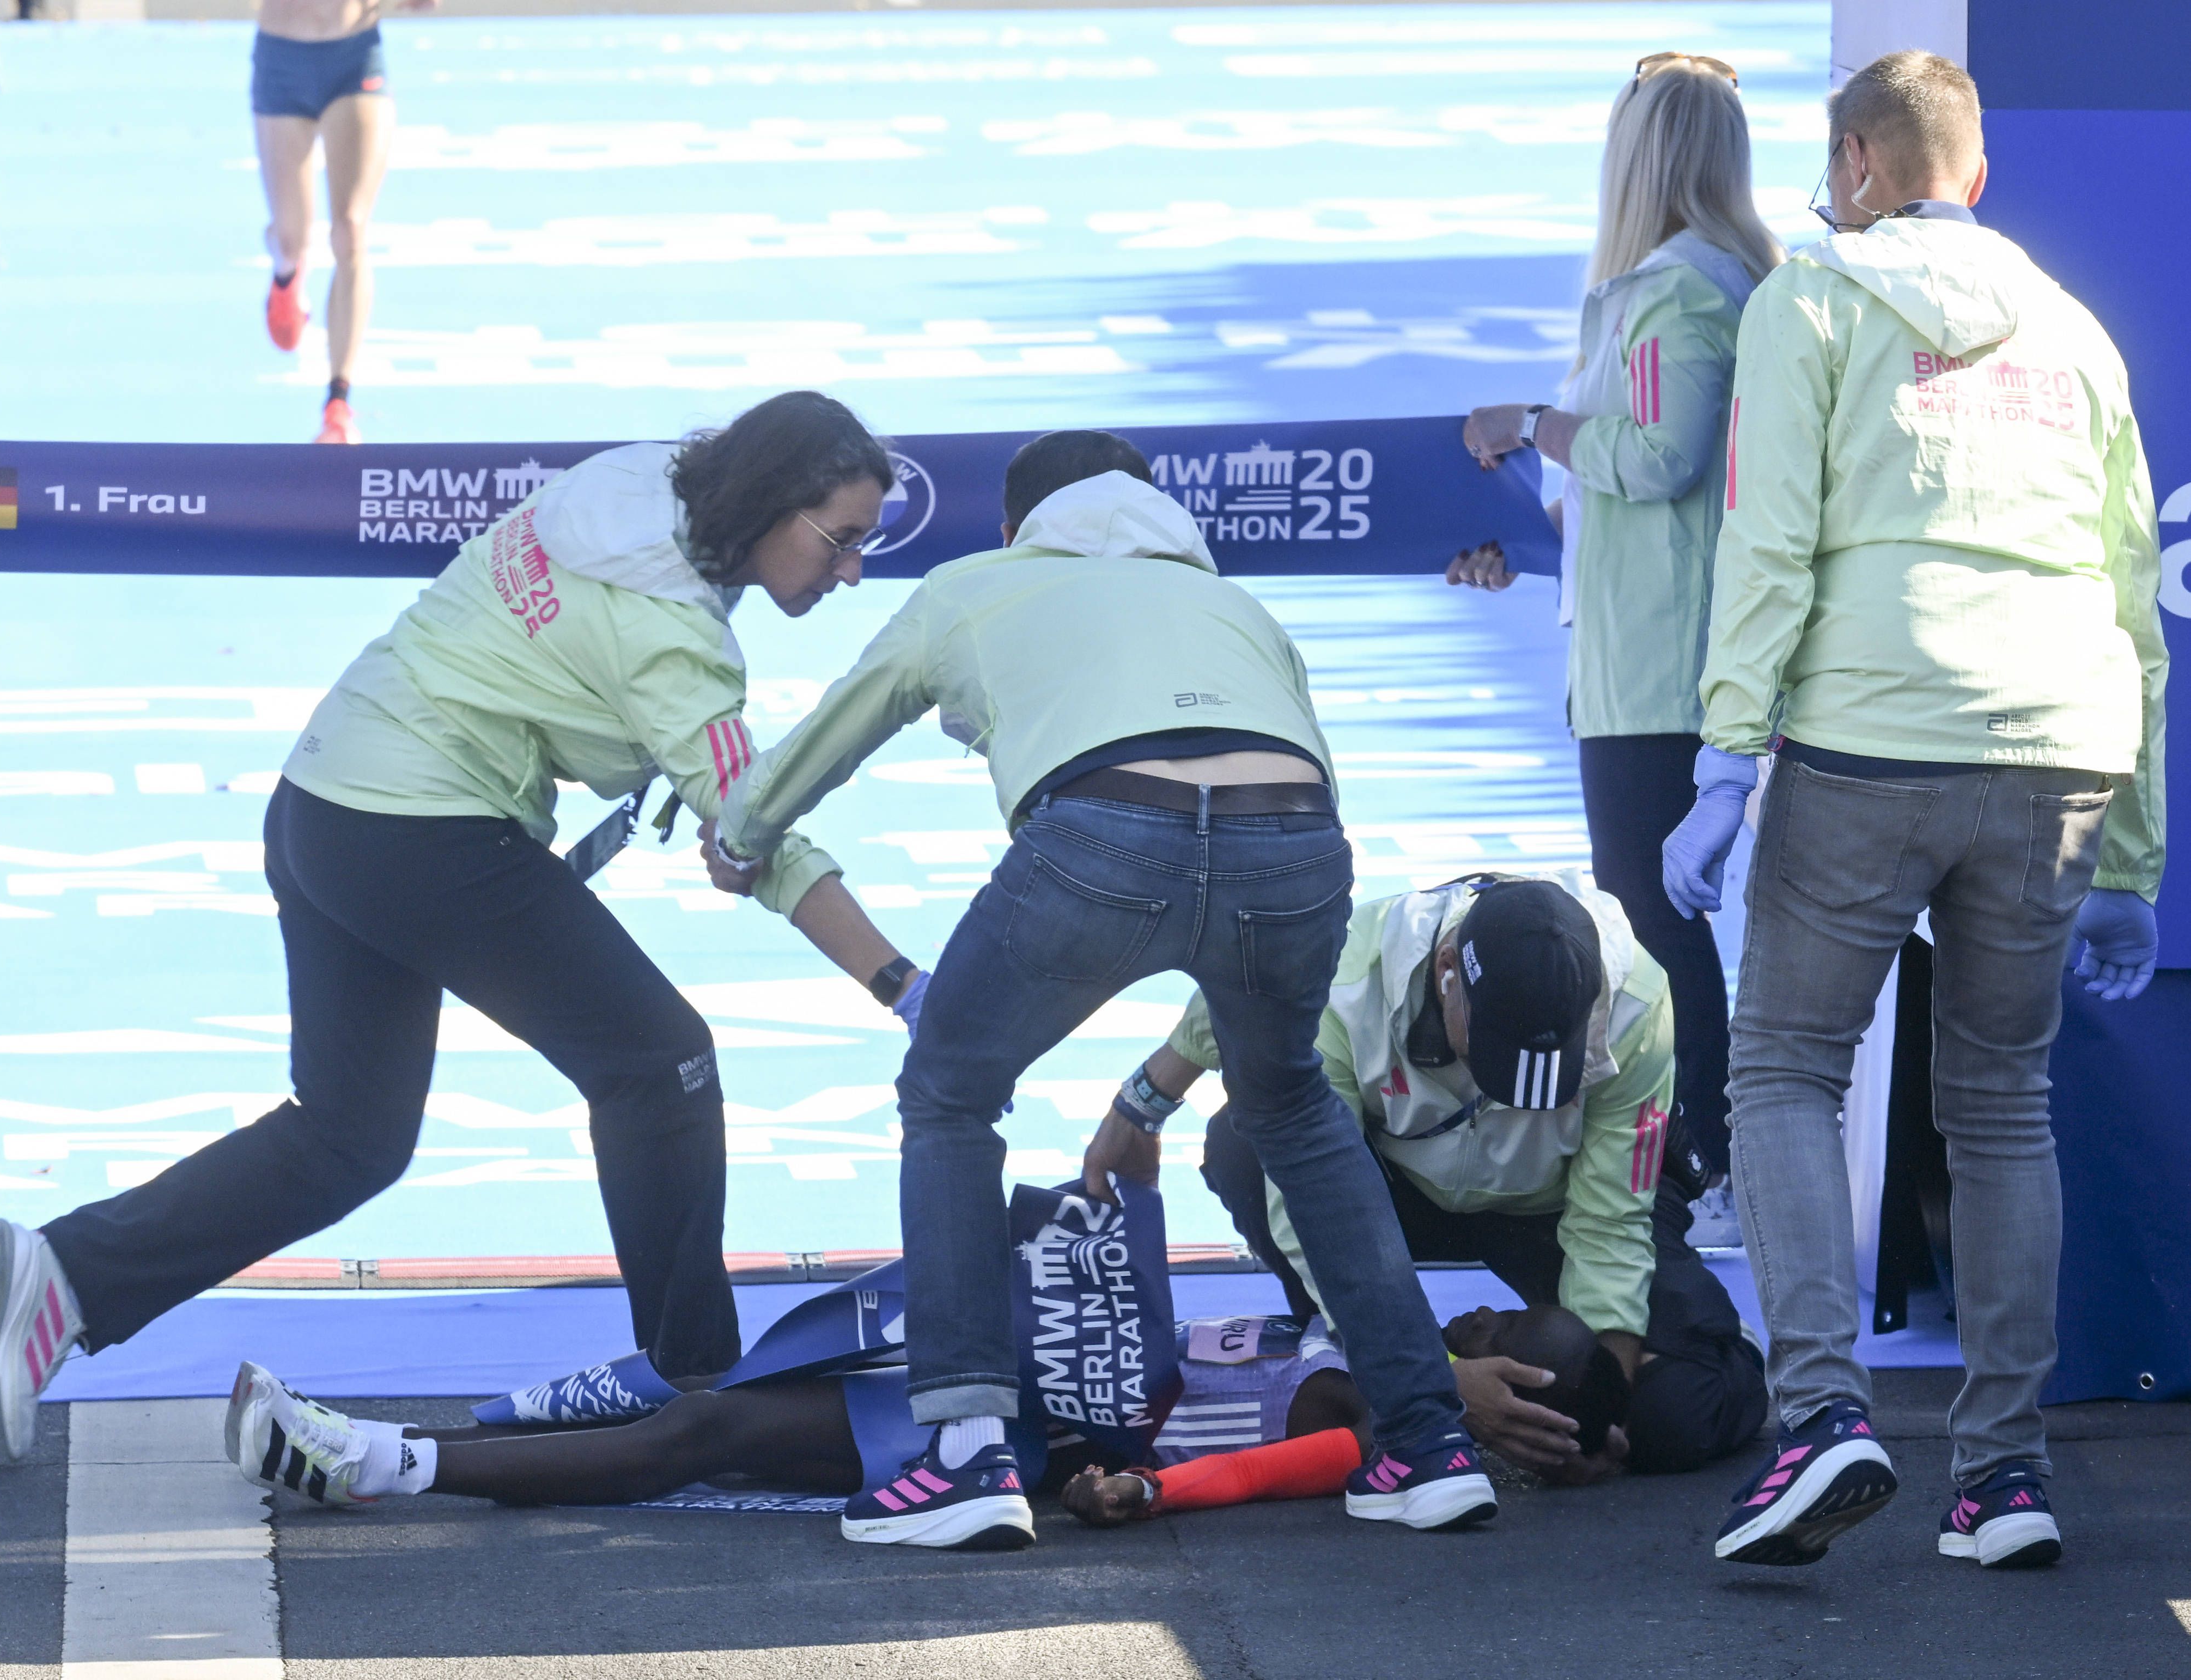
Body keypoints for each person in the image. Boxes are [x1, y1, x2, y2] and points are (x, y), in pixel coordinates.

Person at [0, 392, 927, 1463]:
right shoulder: (669, 634)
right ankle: (698, 1398)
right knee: (663, 1065)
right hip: (423, 827)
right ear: (768, 504)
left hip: (324, 803)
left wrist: (720, 804)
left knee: (349, 1137)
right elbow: (763, 834)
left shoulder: (641, 485)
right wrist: (903, 986)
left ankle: (70, 1274)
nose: (851, 572)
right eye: (840, 541)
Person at [710, 430, 1496, 1549]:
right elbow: (1284, 792)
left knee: (950, 1095)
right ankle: (1431, 1441)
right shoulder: (1234, 610)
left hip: (1103, 835)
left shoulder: (976, 584)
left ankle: (967, 1451)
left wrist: (744, 837)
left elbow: (836, 731)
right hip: (1296, 846)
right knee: (1293, 1111)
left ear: (1013, 529)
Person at [1660, 52, 2167, 1571]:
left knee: (1784, 1070)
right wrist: (2129, 855)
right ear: (1980, 174)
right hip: (2058, 746)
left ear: (1857, 162)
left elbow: (1769, 546)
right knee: (2001, 1101)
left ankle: (1820, 1420)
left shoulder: (1806, 301)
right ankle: (2001, 1477)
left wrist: (1721, 763)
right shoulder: (2076, 335)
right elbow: (2131, 594)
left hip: (1871, 736)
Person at [1095, 871, 1767, 1480]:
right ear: (1447, 971)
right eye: (1492, 1056)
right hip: (1392, 1192)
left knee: (1673, 1421)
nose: (1511, 1099)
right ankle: (1357, 1357)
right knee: (1247, 1135)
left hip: (1554, 1209)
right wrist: (1437, 1384)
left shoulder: (1637, 1004)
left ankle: (1691, 1343)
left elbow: (1609, 1223)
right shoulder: (1341, 975)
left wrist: (1595, 1418)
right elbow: (1307, 1198)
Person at [1444, 53, 1785, 1186]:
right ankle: (1706, 1156)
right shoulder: (1696, 287)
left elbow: (1661, 460)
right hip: (1649, 652)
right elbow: (1627, 499)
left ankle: (1712, 1160)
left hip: (1662, 667)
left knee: (1657, 921)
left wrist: (1534, 419)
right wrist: (1523, 542)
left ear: (1640, 160)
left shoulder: (1681, 291)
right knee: (1654, 915)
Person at [223, 1304, 1626, 1529]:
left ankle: (369, 1464)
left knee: (712, 1436)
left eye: (1500, 1361)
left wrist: (1138, 1496)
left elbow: (1269, 1465)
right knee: (717, 1373)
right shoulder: (1356, 1321)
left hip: (1007, 1441)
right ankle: (385, 1439)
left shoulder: (1363, 1416)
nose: (1468, 1335)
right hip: (996, 1342)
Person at [1061, 1304, 1631, 1527]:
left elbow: (1249, 1473)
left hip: (1082, 1413)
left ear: (1522, 1410)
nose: (1480, 1313)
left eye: (1499, 1333)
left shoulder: (1384, 1426)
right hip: (1094, 1343)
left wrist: (1145, 1490)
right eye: (1503, 1311)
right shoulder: (1380, 1329)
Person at [252, 0, 435, 444]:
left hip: (353, 58)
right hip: (283, 58)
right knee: (291, 239)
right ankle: (286, 275)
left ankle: (338, 404)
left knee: (350, 231)